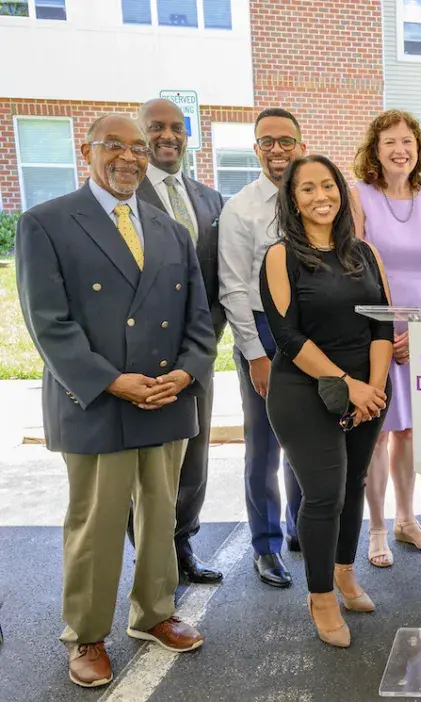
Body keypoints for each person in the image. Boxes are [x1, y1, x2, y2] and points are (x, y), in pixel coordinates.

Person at [15, 113, 215, 688]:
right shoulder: (46, 223)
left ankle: (155, 614)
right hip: (97, 399)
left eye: (137, 148)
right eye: (114, 146)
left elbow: (197, 319)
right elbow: (49, 324)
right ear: (87, 152)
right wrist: (111, 381)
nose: (129, 157)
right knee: (97, 525)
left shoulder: (169, 228)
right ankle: (87, 635)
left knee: (161, 517)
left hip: (165, 396)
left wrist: (185, 374)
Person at [261, 154, 395, 647]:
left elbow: (383, 324)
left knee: (354, 483)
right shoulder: (281, 256)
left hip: (367, 387)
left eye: (329, 186)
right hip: (304, 389)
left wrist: (373, 387)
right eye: (308, 189)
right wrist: (348, 384)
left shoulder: (366, 253)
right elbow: (288, 337)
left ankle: (343, 572)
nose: (322, 197)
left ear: (341, 191)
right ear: (292, 201)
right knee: (324, 495)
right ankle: (319, 596)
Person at [132, 97, 227, 584]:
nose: (167, 136)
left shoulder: (209, 199)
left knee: (194, 453)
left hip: (198, 352)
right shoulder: (123, 197)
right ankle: (148, 555)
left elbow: (218, 279)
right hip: (139, 358)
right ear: (140, 134)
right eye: (155, 128)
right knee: (145, 463)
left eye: (175, 127)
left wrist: (203, 347)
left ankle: (181, 544)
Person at [351, 110, 421, 566]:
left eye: (407, 140)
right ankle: (376, 529)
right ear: (376, 148)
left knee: (408, 432)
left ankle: (408, 519)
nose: (400, 149)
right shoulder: (360, 196)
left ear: (418, 149)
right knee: (376, 434)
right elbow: (353, 271)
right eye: (389, 141)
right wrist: (387, 333)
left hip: (420, 336)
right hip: (373, 334)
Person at [218, 108, 307, 588]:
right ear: (256, 148)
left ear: (300, 145)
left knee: (305, 438)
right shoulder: (241, 208)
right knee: (264, 445)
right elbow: (232, 286)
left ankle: (298, 527)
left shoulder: (313, 197)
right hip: (262, 332)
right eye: (267, 141)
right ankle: (266, 546)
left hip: (308, 331)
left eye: (286, 141)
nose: (277, 149)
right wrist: (254, 353)